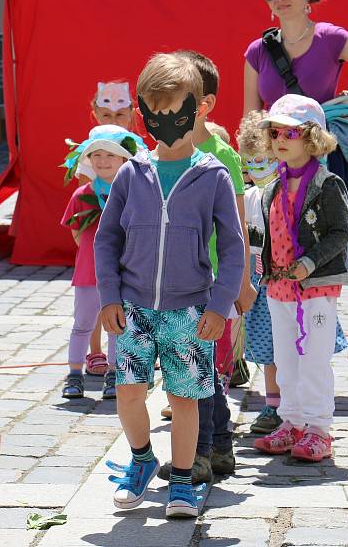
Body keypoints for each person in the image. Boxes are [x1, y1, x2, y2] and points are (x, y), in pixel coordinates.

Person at [94, 52, 245, 518]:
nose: (164, 121)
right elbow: (106, 239)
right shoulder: (131, 174)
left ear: (198, 109)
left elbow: (235, 247)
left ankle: (183, 481)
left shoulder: (213, 175)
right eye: (153, 113)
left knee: (185, 399)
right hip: (134, 308)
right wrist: (109, 296)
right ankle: (141, 459)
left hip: (189, 311)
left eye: (173, 111)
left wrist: (220, 305)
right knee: (128, 392)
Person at [155, 50, 255, 485]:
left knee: (197, 372)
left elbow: (237, 228)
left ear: (204, 103)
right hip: (174, 284)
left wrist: (243, 282)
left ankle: (201, 453)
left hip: (212, 283)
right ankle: (218, 447)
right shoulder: (160, 154)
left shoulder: (221, 157)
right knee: (194, 370)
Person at [253, 94, 348, 462]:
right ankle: (291, 421)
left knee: (314, 357)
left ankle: (318, 429)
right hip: (279, 286)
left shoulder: (327, 185)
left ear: (312, 138)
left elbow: (340, 233)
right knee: (285, 357)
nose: (280, 138)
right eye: (275, 131)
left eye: (290, 133)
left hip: (315, 287)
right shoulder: (274, 186)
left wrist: (309, 263)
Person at [60, 125, 145, 400]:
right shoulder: (81, 195)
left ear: (123, 160)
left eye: (110, 154)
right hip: (88, 274)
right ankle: (74, 375)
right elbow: (76, 233)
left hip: (122, 276)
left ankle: (114, 374)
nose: (103, 160)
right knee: (82, 323)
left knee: (117, 327)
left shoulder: (133, 193)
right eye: (96, 154)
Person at [64, 81, 137, 377]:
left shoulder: (131, 155)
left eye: (120, 114)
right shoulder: (92, 156)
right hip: (94, 256)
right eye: (106, 114)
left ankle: (121, 359)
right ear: (95, 112)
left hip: (124, 258)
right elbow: (78, 224)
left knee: (123, 310)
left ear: (132, 114)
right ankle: (94, 351)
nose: (113, 119)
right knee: (90, 309)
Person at [237, 109, 284, 434]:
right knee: (268, 350)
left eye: (263, 162)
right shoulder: (249, 197)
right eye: (250, 165)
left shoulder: (290, 194)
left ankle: (302, 405)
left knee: (294, 347)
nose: (258, 170)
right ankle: (273, 406)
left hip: (289, 282)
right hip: (259, 281)